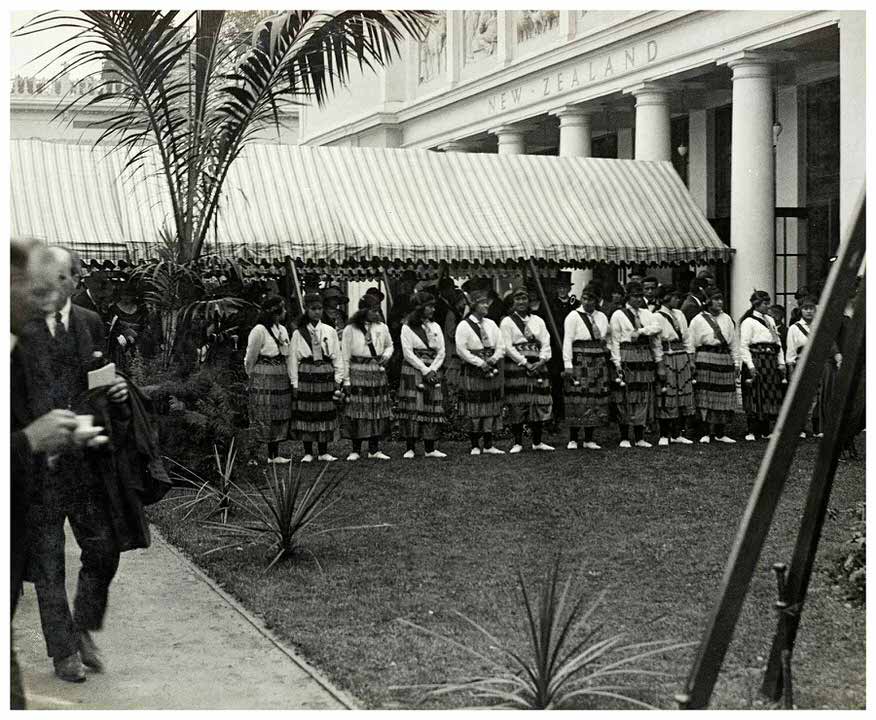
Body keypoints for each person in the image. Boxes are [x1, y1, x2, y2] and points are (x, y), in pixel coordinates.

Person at [19, 246, 129, 684]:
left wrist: (116, 389)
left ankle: (82, 627)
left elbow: (96, 382)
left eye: (67, 277)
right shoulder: (18, 330)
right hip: (41, 465)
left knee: (104, 548)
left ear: (76, 281)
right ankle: (63, 650)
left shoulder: (90, 324)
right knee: (48, 560)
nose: (58, 285)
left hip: (87, 461)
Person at [289, 293, 344, 463]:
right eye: (313, 309)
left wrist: (338, 377)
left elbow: (337, 355)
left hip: (325, 373)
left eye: (319, 309)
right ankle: (308, 451)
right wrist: (295, 382)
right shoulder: (299, 333)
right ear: (307, 310)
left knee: (324, 411)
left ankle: (323, 450)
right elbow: (292, 359)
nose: (317, 312)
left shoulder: (329, 330)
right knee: (307, 411)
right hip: (306, 372)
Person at [608, 281, 664, 448]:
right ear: (628, 297)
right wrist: (617, 363)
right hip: (627, 355)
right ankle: (625, 436)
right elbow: (614, 341)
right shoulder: (618, 314)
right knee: (625, 396)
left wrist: (640, 332)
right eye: (635, 296)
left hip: (645, 357)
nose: (638, 299)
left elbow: (656, 331)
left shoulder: (647, 314)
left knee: (643, 396)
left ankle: (640, 437)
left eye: (640, 296)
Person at [500, 285, 554, 453]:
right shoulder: (507, 322)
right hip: (517, 367)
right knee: (518, 402)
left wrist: (542, 360)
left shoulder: (538, 320)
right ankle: (518, 442)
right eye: (518, 299)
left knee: (538, 402)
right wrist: (524, 362)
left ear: (529, 301)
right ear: (513, 302)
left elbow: (546, 341)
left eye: (524, 299)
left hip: (538, 366)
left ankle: (537, 441)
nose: (521, 302)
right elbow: (507, 347)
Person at [341, 294, 394, 461]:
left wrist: (386, 355)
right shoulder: (351, 329)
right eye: (373, 310)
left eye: (377, 310)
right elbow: (345, 355)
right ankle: (355, 449)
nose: (376, 313)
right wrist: (346, 379)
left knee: (375, 408)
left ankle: (374, 448)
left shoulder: (382, 327)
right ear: (363, 310)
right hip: (357, 370)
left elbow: (390, 345)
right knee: (357, 409)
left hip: (376, 370)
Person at [455, 287, 505, 455]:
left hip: (491, 366)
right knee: (474, 407)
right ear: (474, 305)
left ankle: (489, 444)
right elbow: (461, 350)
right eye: (483, 303)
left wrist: (493, 359)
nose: (486, 306)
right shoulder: (464, 325)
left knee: (490, 406)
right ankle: (475, 444)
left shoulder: (491, 324)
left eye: (487, 303)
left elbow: (501, 345)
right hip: (473, 369)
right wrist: (479, 363)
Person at [244, 295, 293, 464]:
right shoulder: (259, 330)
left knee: (278, 412)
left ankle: (274, 454)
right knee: (260, 413)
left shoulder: (283, 330)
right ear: (275, 312)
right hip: (263, 373)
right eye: (282, 309)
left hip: (280, 374)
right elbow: (251, 355)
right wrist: (250, 375)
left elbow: (287, 353)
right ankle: (253, 455)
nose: (285, 312)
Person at [397, 291, 447, 458]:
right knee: (413, 405)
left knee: (431, 405)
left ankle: (430, 448)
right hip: (414, 369)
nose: (433, 310)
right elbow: (407, 353)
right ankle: (410, 447)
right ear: (420, 308)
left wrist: (433, 369)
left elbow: (442, 351)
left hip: (432, 368)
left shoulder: (436, 326)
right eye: (429, 307)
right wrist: (425, 370)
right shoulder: (407, 327)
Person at [562, 283, 611, 450]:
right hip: (580, 359)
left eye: (591, 299)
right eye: (585, 298)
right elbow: (567, 340)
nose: (587, 302)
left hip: (597, 360)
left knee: (594, 397)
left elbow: (607, 338)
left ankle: (590, 437)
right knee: (577, 396)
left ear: (597, 301)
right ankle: (573, 438)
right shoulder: (573, 316)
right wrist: (567, 364)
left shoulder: (602, 317)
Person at [785, 295, 842, 439]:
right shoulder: (794, 328)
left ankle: (819, 428)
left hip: (822, 364)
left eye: (811, 308)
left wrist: (837, 356)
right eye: (805, 309)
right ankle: (800, 428)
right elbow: (791, 351)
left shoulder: (822, 326)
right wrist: (791, 369)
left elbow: (831, 344)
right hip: (803, 364)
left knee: (823, 396)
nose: (809, 311)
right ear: (801, 310)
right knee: (803, 397)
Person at [688, 288, 740, 443]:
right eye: (716, 299)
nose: (720, 302)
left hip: (724, 358)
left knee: (723, 395)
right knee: (705, 395)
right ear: (708, 301)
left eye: (721, 299)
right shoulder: (698, 320)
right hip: (705, 357)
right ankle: (705, 432)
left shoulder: (727, 319)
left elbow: (734, 343)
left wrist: (736, 362)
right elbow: (691, 344)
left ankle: (720, 432)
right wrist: (692, 363)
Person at [739, 290, 787, 441]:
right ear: (757, 305)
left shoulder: (770, 320)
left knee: (769, 394)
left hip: (770, 361)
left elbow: (777, 343)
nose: (768, 307)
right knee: (755, 394)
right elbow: (744, 346)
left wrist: (781, 362)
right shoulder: (748, 322)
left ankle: (766, 430)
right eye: (766, 304)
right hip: (756, 359)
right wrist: (750, 366)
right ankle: (752, 430)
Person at [653, 285, 696, 445]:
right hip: (667, 356)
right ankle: (664, 434)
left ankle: (678, 433)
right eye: (675, 297)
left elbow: (687, 337)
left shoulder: (680, 314)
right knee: (667, 394)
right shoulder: (656, 317)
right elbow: (656, 343)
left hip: (681, 357)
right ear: (666, 298)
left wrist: (690, 359)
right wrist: (660, 365)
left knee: (682, 394)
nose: (678, 300)